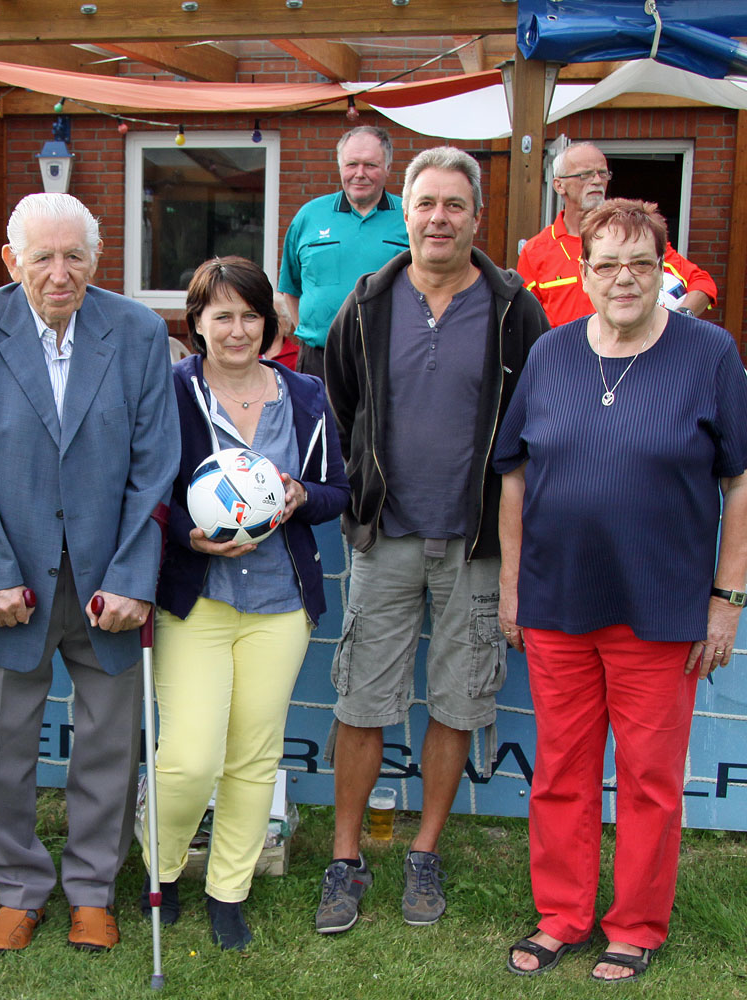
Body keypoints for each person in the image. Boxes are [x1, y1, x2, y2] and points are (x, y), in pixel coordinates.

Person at [498, 199, 747, 983]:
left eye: (641, 262)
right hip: (557, 599)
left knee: (648, 779)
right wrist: (510, 583)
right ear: (584, 270)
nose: (624, 279)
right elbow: (515, 473)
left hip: (662, 606)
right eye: (606, 263)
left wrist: (726, 597)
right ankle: (562, 915)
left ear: (665, 268)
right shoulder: (553, 352)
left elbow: (739, 480)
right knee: (563, 770)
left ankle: (636, 924)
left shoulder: (710, 354)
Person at [0, 192, 178, 954]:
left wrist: (136, 575)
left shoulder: (136, 331)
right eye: (43, 257)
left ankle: (92, 889)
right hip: (8, 581)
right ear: (12, 261)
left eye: (75, 256)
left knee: (108, 742)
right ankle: (16, 886)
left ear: (97, 260)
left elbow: (154, 466)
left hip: (109, 581)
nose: (60, 273)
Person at [318, 146, 548, 935]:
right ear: (404, 212)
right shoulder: (368, 301)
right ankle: (345, 856)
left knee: (458, 699)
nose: (439, 218)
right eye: (427, 204)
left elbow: (531, 424)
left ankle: (424, 850)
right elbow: (342, 405)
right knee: (361, 699)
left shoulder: (515, 308)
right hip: (386, 536)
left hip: (477, 540)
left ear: (477, 218)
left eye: (455, 205)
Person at [148, 256, 348, 950]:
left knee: (253, 756)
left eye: (250, 315)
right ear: (197, 323)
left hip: (280, 602)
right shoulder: (171, 390)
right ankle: (162, 869)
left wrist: (298, 497)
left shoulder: (306, 395)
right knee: (189, 758)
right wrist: (189, 534)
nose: (237, 329)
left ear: (270, 322)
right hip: (195, 598)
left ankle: (228, 890)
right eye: (222, 315)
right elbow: (145, 489)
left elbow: (336, 490)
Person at [516, 142, 716, 326]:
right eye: (585, 174)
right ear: (559, 185)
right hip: (566, 360)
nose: (596, 181)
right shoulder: (535, 251)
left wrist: (681, 319)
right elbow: (523, 320)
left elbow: (703, 283)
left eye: (602, 173)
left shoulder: (634, 236)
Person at [278, 125, 409, 378]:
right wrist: (313, 335)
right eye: (352, 165)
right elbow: (291, 290)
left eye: (370, 165)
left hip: (388, 363)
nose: (360, 174)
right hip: (319, 361)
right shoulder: (309, 216)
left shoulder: (410, 217)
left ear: (388, 168)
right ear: (340, 167)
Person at [264, 292, 300, 371]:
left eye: (274, 316)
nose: (269, 322)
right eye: (265, 317)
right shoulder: (249, 353)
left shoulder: (298, 356)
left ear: (286, 322)